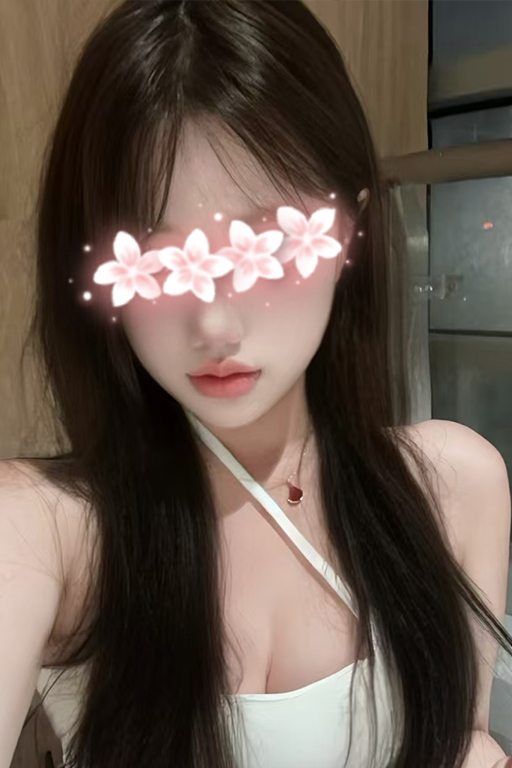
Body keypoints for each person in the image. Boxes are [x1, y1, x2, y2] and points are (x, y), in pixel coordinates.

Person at [1, 1, 511, 767]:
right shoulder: (48, 526)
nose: (213, 322)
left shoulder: (452, 486)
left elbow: (459, 739)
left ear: (349, 232)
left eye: (266, 245)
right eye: (155, 260)